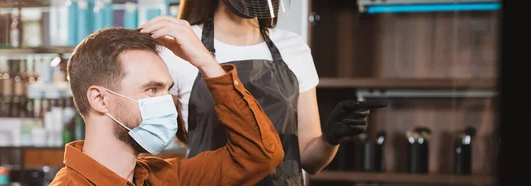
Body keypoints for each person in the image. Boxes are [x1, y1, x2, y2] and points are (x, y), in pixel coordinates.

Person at [139, 0, 386, 185]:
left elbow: (310, 161)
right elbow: (148, 140)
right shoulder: (180, 45)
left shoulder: (293, 47)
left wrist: (331, 139)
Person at [49, 27, 284, 185]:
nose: (167, 103)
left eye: (167, 90)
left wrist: (205, 61)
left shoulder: (163, 177)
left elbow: (260, 155)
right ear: (100, 100)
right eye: (152, 89)